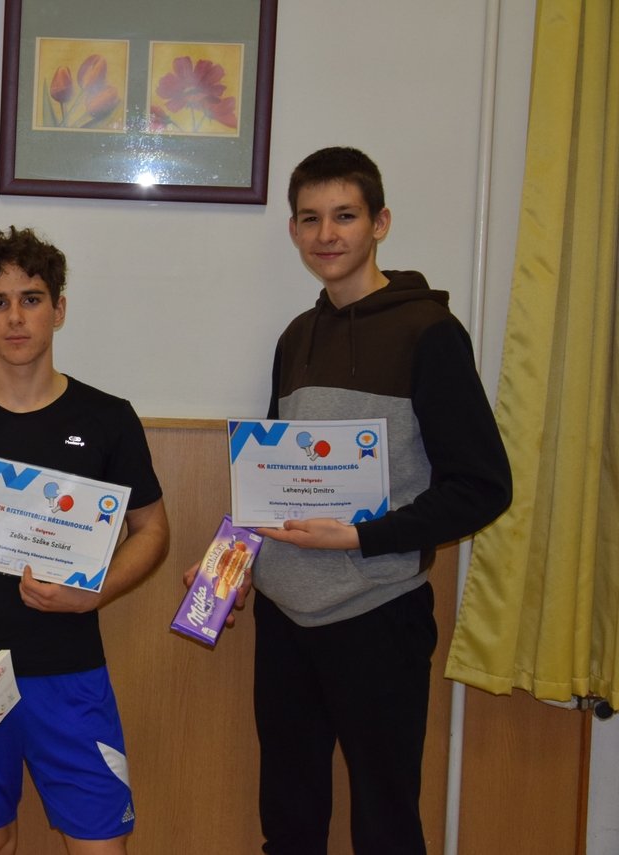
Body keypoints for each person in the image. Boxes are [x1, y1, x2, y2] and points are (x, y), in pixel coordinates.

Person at [228, 147, 512, 854]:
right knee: (288, 822)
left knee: (385, 824)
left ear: (379, 222)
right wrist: (226, 566)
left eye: (345, 216)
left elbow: (483, 486)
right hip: (285, 617)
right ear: (293, 230)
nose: (327, 234)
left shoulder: (431, 334)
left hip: (378, 615)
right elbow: (273, 479)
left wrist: (360, 537)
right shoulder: (296, 337)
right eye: (310, 218)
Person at [0, 226, 170, 855]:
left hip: (70, 671)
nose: (15, 317)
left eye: (32, 298)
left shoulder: (108, 418)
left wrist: (94, 592)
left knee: (100, 845)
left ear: (59, 309)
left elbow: (153, 530)